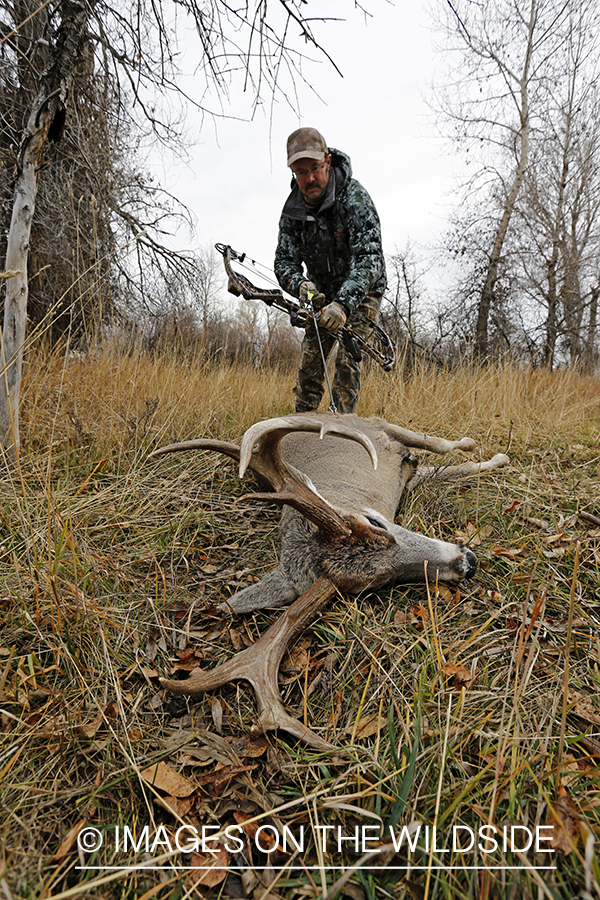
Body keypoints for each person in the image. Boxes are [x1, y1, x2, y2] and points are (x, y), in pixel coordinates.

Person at [274, 126, 386, 414]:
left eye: (314, 168)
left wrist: (344, 304)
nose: (309, 178)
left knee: (348, 362)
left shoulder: (354, 198)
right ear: (293, 174)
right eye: (300, 172)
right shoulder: (293, 211)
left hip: (361, 291)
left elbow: (369, 258)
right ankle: (300, 431)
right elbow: (283, 261)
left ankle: (341, 435)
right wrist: (300, 285)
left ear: (328, 162)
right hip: (321, 295)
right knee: (312, 361)